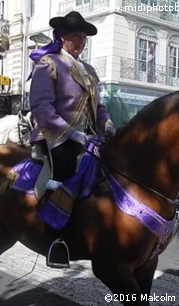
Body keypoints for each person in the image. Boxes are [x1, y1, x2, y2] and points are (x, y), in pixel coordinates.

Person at [28, 11, 116, 267]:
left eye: (83, 37)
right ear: (62, 38)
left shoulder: (89, 70)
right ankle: (56, 239)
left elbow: (98, 107)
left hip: (90, 137)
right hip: (56, 136)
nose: (80, 42)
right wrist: (72, 134)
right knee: (64, 174)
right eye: (75, 36)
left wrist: (107, 123)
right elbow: (41, 107)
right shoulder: (48, 63)